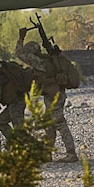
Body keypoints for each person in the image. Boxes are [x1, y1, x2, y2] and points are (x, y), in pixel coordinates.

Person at [16, 28, 78, 162]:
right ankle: (47, 153)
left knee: (60, 123)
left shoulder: (39, 61)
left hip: (54, 95)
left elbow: (19, 54)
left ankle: (71, 153)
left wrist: (21, 37)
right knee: (49, 124)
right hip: (54, 94)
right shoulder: (48, 60)